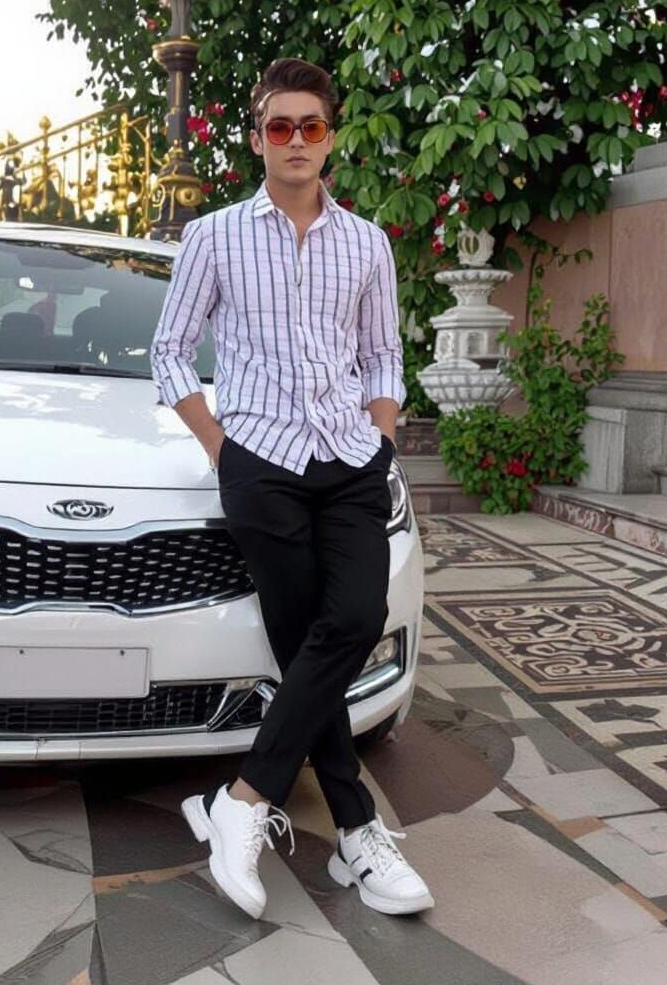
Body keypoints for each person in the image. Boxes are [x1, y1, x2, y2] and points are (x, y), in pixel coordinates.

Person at [150, 57, 434, 920]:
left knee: (352, 620)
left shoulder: (368, 244)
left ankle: (239, 804)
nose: (298, 140)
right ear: (258, 139)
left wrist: (382, 437)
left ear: (331, 137)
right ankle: (355, 834)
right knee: (305, 639)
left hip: (350, 459)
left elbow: (382, 353)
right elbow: (169, 350)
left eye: (312, 125)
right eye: (282, 126)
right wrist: (219, 444)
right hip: (261, 462)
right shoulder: (214, 236)